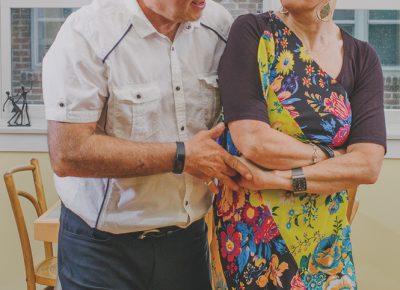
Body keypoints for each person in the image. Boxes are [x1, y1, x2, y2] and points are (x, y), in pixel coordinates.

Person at [42, 0, 253, 289]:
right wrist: (182, 156)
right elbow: (68, 153)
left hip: (186, 243)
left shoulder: (218, 25)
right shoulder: (88, 33)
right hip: (101, 251)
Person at [210, 0, 386, 289]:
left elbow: (367, 165)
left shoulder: (363, 58)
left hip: (326, 245)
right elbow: (253, 141)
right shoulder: (253, 32)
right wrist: (330, 155)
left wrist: (276, 178)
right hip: (254, 235)